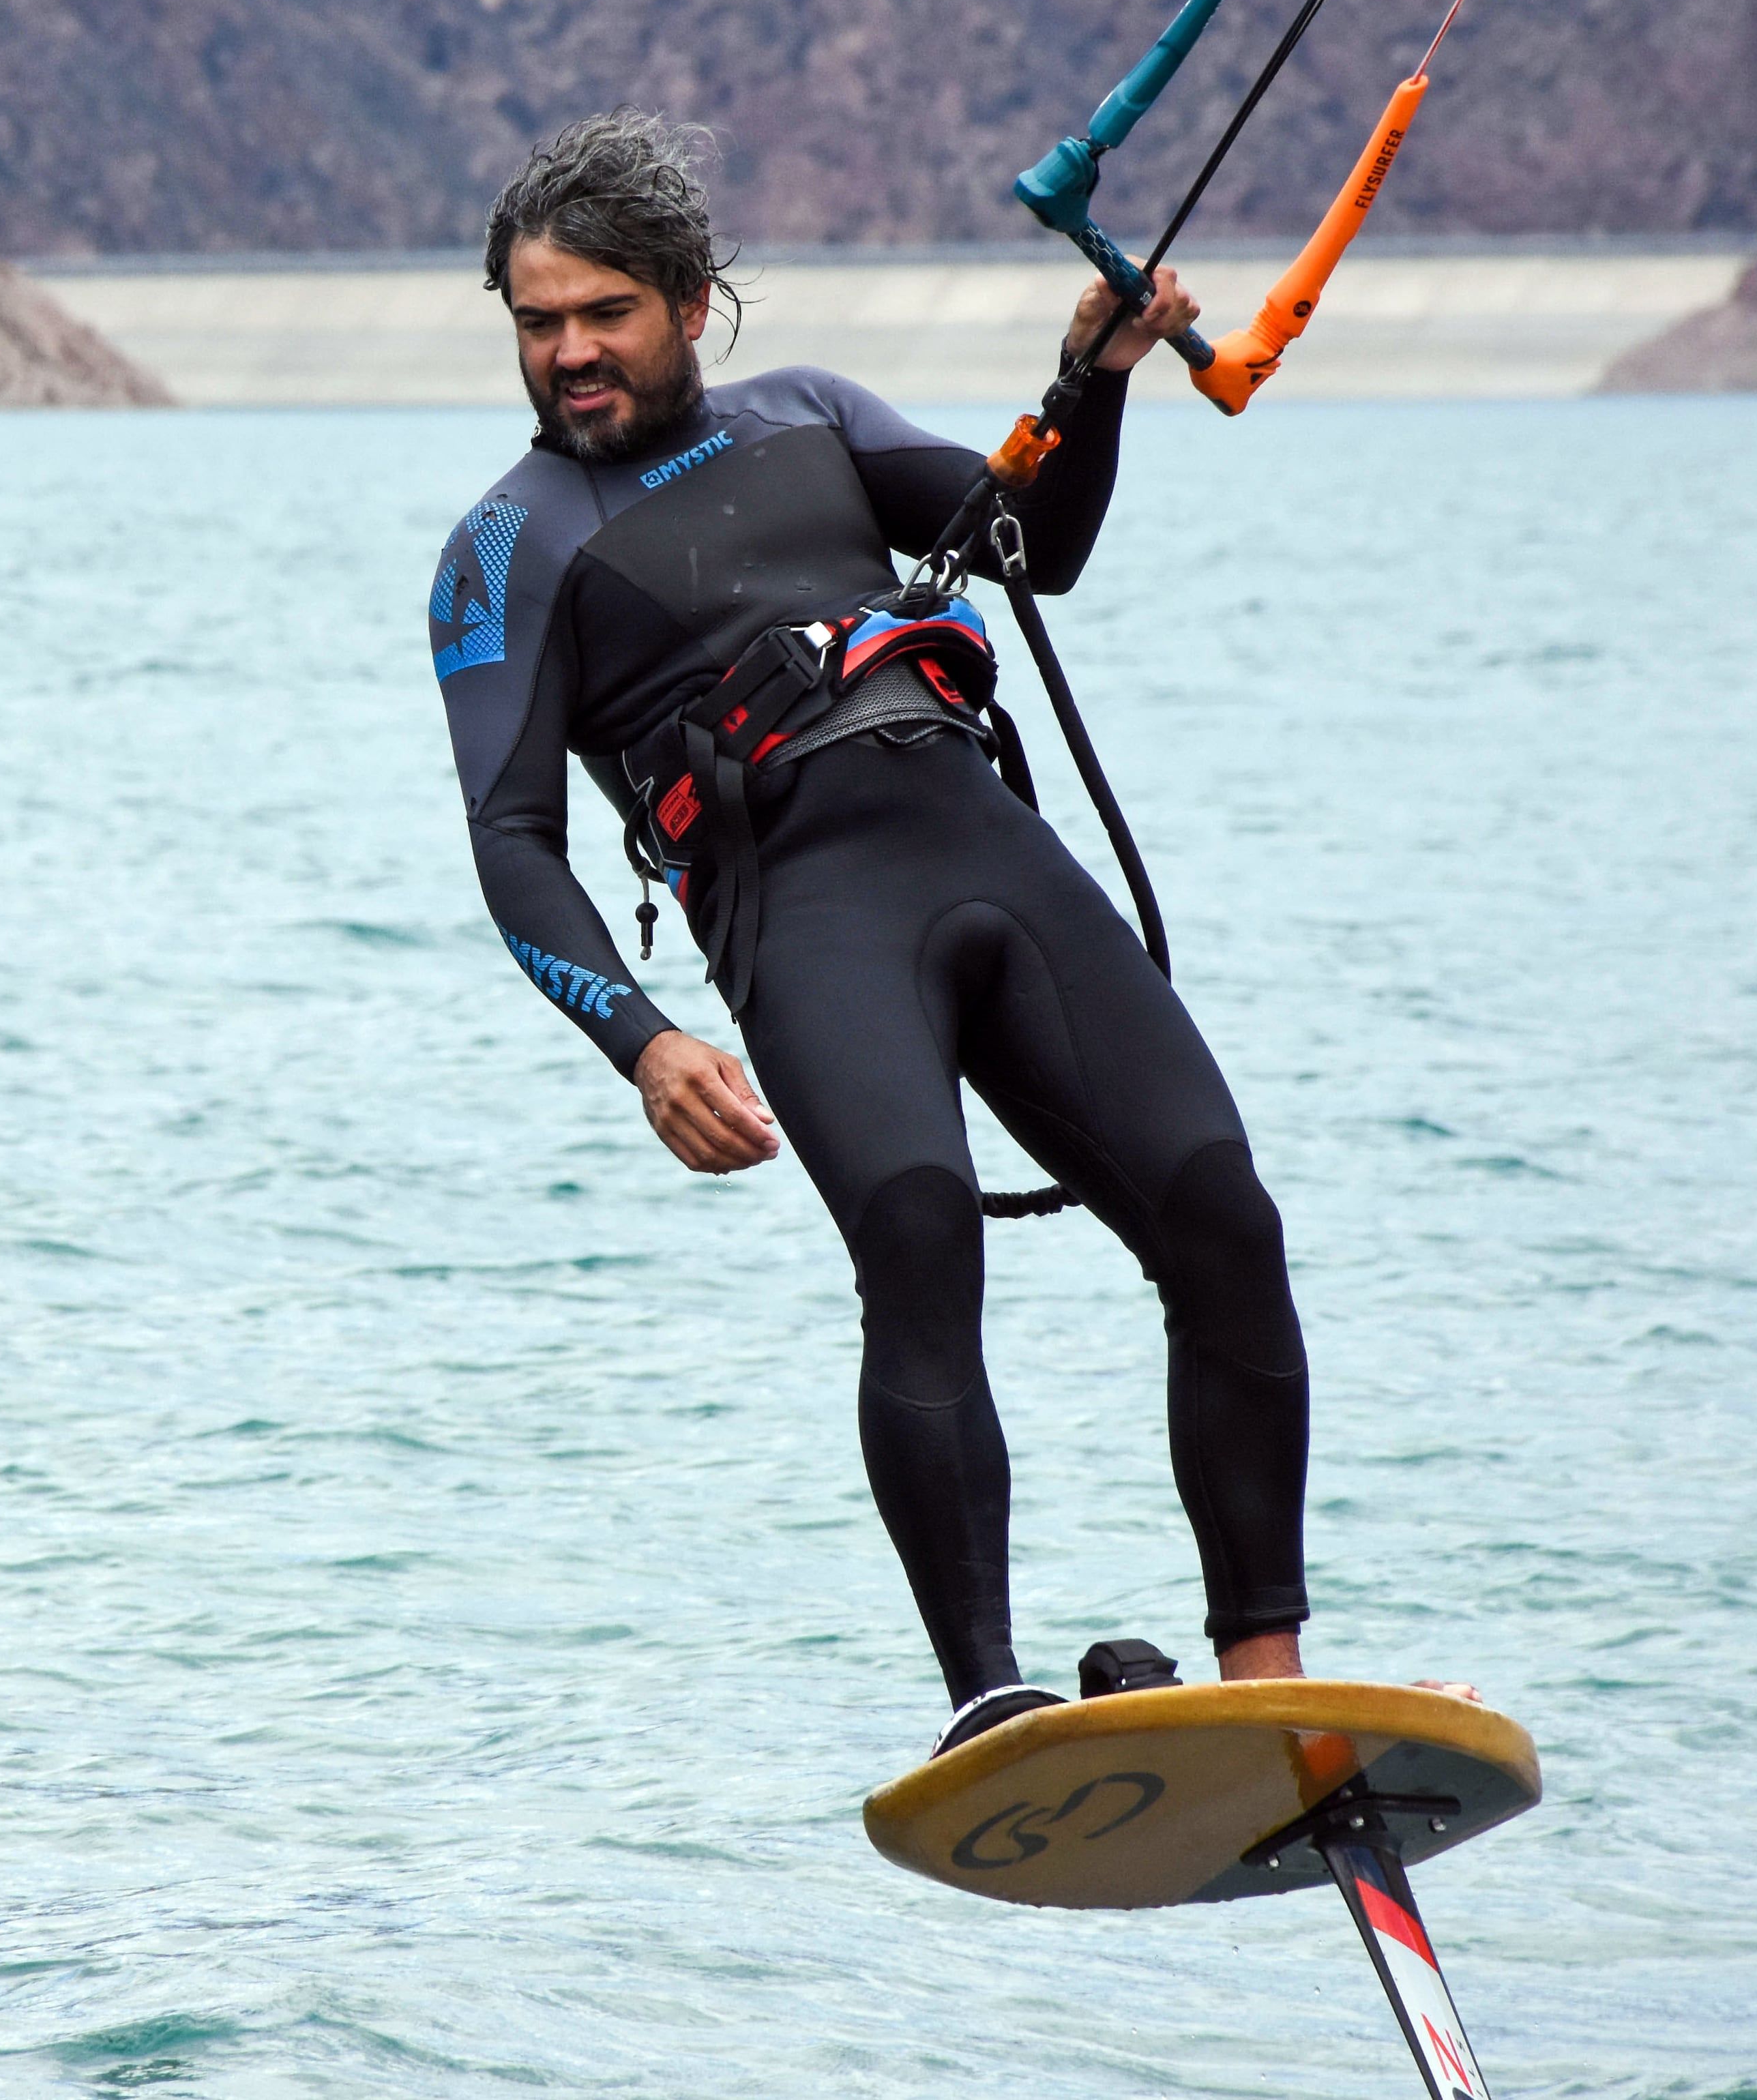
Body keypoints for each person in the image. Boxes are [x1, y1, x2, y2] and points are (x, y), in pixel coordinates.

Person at [427, 110, 1311, 1754]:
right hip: (806, 914)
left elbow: (1027, 543)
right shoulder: (503, 547)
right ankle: (988, 1694)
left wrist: (1094, 378)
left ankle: (1270, 1671)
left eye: (601, 313)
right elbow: (509, 836)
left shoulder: (812, 415)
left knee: (1220, 1217)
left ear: (692, 301)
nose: (567, 354)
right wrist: (645, 1036)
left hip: (985, 847)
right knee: (916, 1235)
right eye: (536, 322)